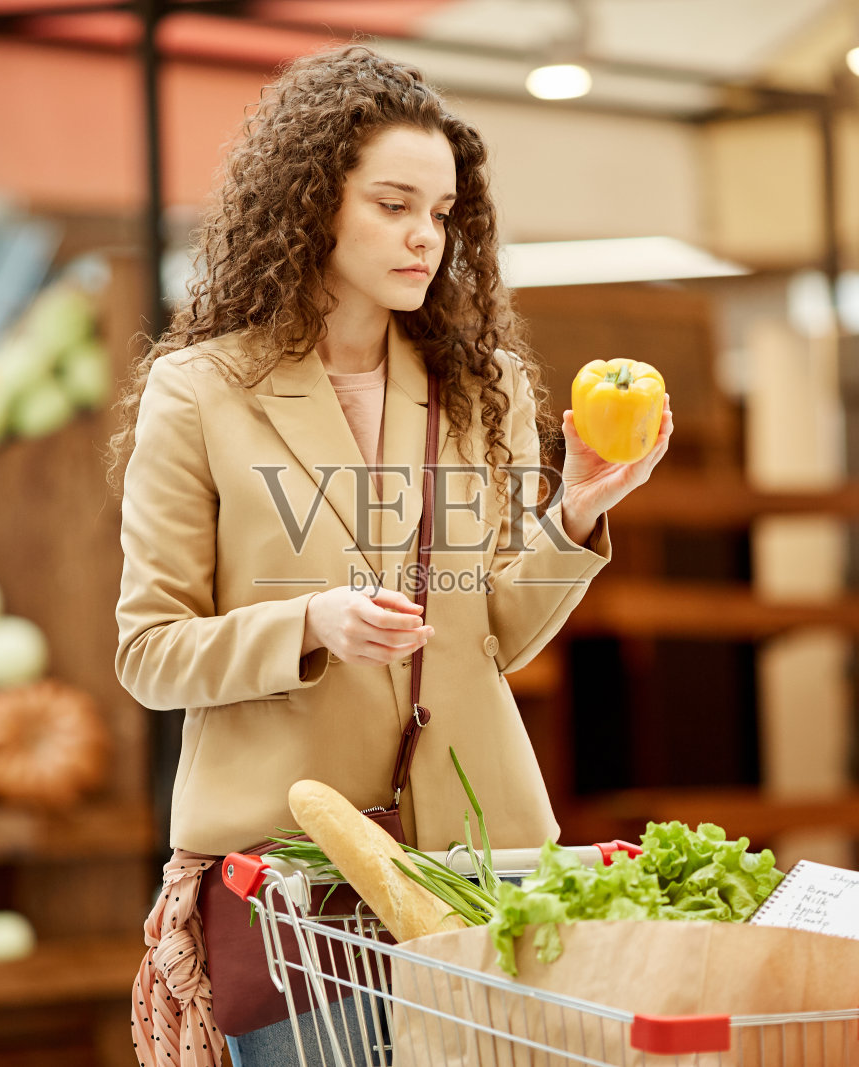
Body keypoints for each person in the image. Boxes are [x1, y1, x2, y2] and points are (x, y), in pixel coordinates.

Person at [109, 44, 672, 1067]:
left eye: (442, 213)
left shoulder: (484, 386)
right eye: (393, 204)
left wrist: (577, 511)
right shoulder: (199, 393)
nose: (425, 237)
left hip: (480, 868)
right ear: (311, 204)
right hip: (292, 888)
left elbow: (492, 638)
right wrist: (308, 624)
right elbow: (151, 651)